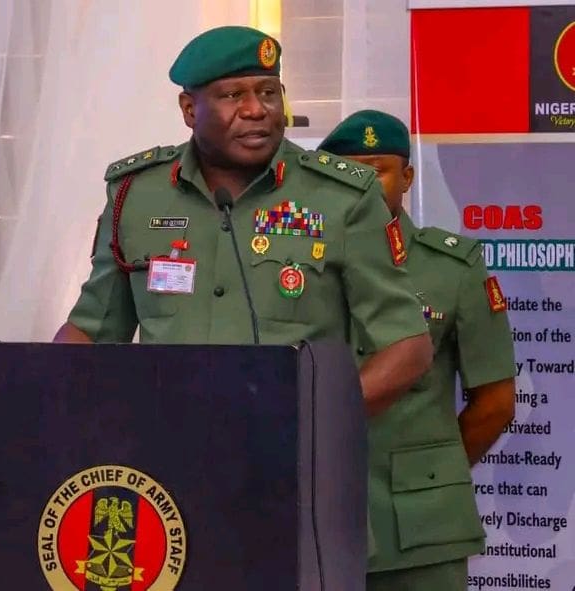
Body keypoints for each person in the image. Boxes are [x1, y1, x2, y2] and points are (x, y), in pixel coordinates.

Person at [54, 26, 433, 416]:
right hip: (164, 440)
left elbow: (407, 346)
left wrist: (318, 419)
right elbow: (91, 332)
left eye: (269, 92)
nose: (256, 110)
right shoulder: (136, 195)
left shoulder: (342, 197)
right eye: (233, 95)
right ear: (189, 110)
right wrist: (48, 404)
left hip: (291, 445)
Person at [319, 110, 516, 590]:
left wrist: (431, 476)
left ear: (406, 177)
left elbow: (495, 402)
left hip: (421, 530)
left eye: (378, 170)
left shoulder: (452, 266)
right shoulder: (299, 268)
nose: (364, 184)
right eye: (348, 173)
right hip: (314, 515)